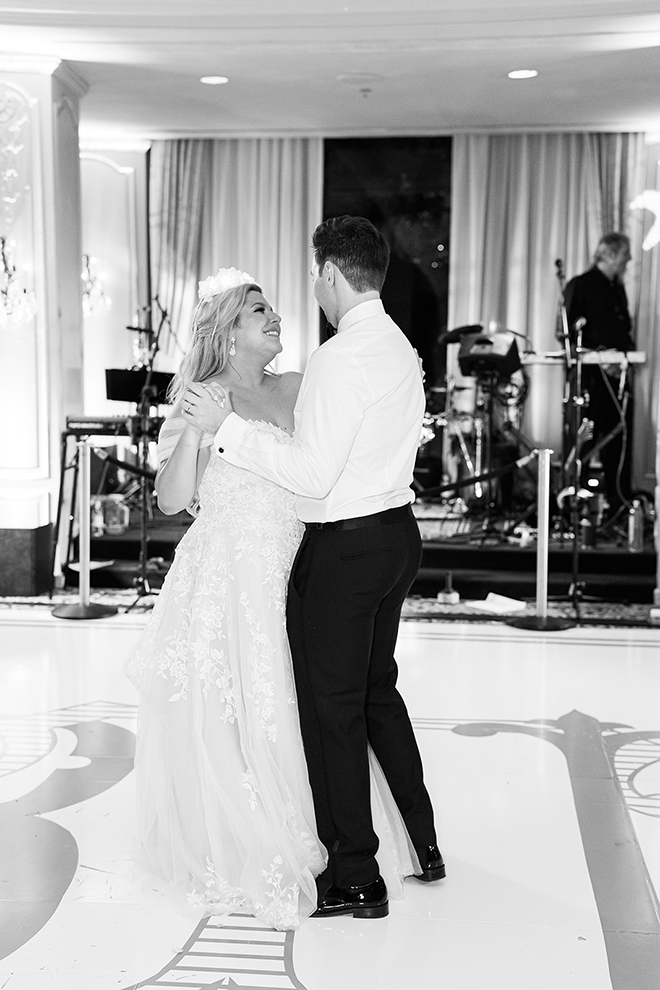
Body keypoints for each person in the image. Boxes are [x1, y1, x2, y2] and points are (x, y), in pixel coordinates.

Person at [124, 266, 416, 931]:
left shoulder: (300, 387)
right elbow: (172, 500)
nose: (276, 317)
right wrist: (199, 429)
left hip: (296, 575)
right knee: (228, 717)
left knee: (303, 706)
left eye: (273, 309)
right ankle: (242, 840)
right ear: (227, 334)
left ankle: (333, 836)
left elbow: (325, 463)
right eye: (259, 311)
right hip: (224, 582)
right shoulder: (201, 398)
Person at [183, 216, 444, 921]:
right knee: (372, 693)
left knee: (331, 713)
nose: (306, 296)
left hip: (347, 547)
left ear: (330, 274)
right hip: (395, 536)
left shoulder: (334, 359)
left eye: (311, 278)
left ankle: (356, 875)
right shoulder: (400, 347)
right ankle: (423, 841)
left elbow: (315, 473)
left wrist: (230, 433)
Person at [564, 232, 635, 517]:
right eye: (624, 254)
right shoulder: (580, 285)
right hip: (590, 379)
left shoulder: (616, 288)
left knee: (619, 440)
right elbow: (569, 335)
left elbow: (622, 329)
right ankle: (572, 507)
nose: (628, 261)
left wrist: (623, 358)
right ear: (609, 254)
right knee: (585, 440)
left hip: (617, 377)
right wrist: (599, 356)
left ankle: (618, 507)